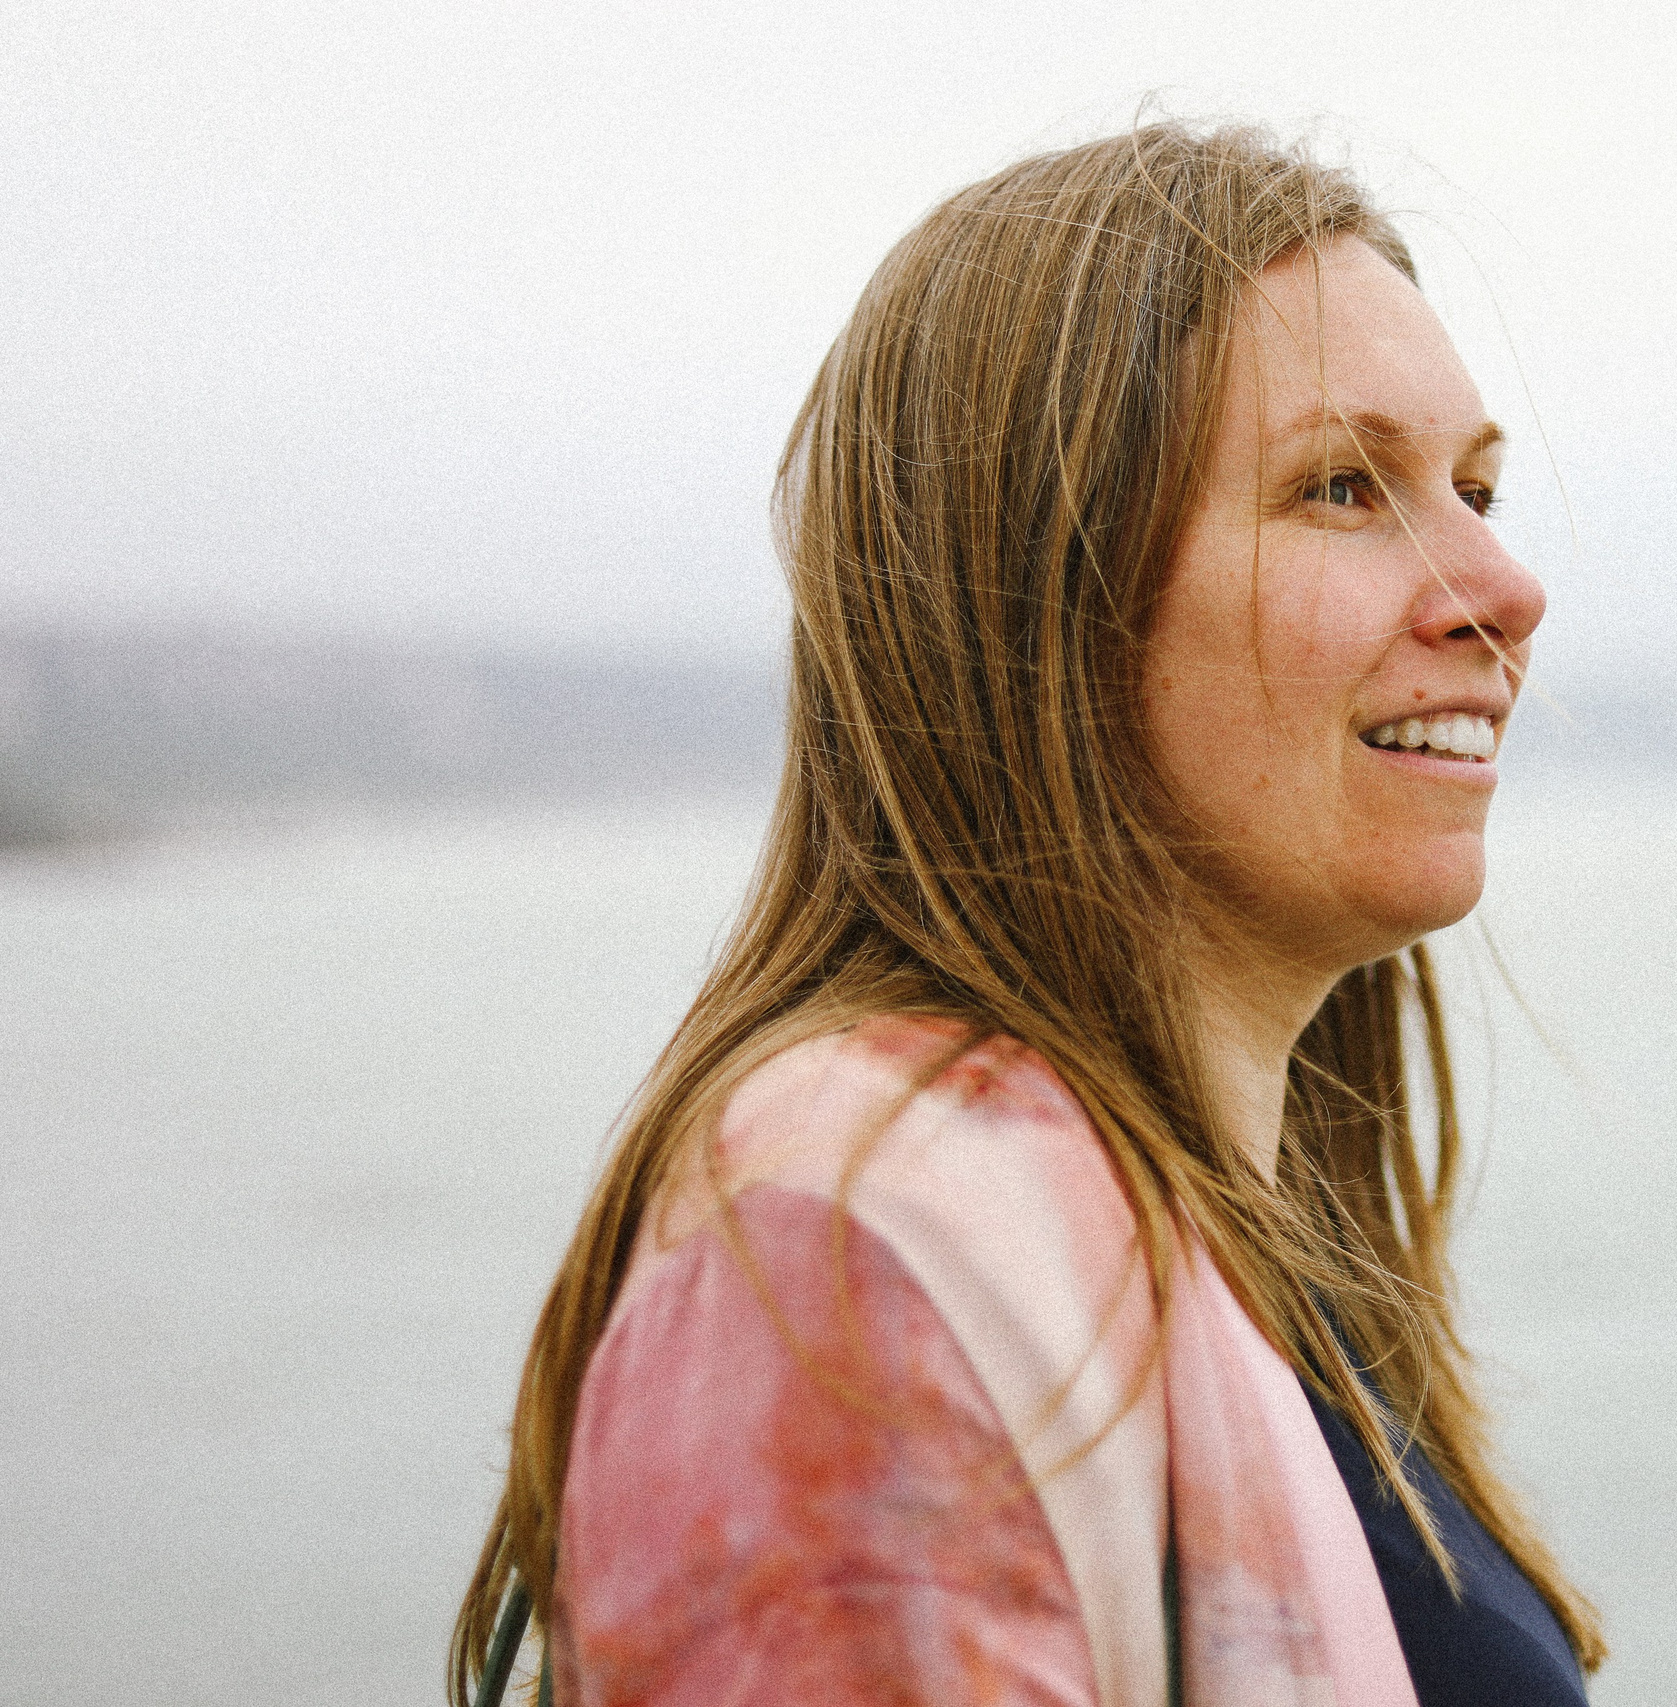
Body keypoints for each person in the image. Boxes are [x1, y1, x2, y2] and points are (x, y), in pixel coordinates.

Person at [450, 121, 1604, 1707]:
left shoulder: (1234, 1251)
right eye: (1346, 487)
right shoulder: (855, 1251)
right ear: (1044, 601)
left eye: (1474, 486)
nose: (1501, 584)